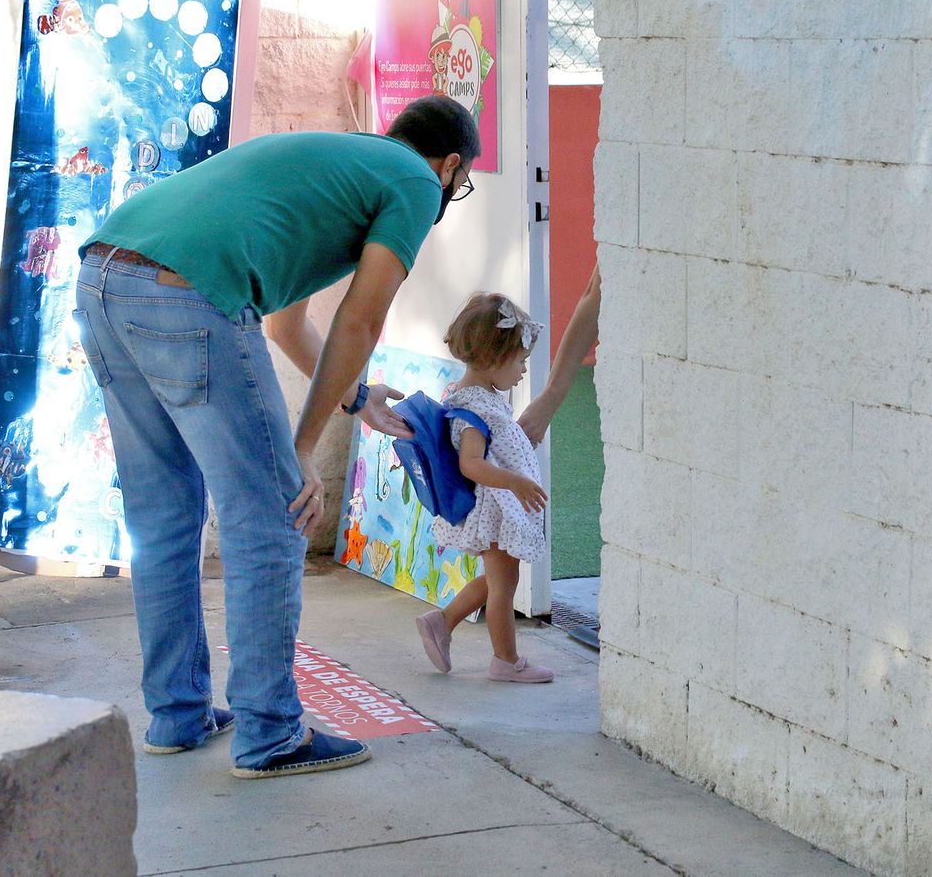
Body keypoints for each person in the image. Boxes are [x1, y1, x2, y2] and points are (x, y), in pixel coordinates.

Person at [73, 95, 478, 778]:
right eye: (457, 185)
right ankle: (269, 733)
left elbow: (288, 327)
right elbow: (361, 321)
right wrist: (300, 453)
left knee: (164, 516)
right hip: (187, 292)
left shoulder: (340, 160)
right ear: (449, 167)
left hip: (102, 279)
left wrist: (355, 398)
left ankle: (177, 715)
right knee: (272, 517)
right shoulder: (412, 181)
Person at [413, 268, 601, 682]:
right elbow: (472, 465)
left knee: (503, 578)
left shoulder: (480, 397)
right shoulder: (474, 409)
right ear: (492, 359)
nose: (521, 371)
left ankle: (442, 623)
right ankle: (505, 661)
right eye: (518, 362)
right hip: (494, 510)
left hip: (500, 508)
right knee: (503, 588)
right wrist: (514, 481)